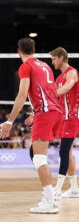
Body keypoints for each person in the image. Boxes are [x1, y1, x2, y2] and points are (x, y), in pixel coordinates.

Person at [0, 38, 62, 214]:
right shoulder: (45, 65)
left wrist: (9, 121)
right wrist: (36, 113)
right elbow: (50, 92)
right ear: (34, 50)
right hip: (54, 112)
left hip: (46, 114)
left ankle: (50, 201)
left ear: (18, 50)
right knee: (35, 154)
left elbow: (21, 95)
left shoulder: (25, 66)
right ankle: (49, 195)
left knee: (39, 159)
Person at [49, 47, 79, 198]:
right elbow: (53, 100)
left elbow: (68, 87)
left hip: (72, 117)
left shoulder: (72, 73)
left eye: (54, 59)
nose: (52, 62)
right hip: (63, 118)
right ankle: (74, 189)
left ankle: (58, 188)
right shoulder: (58, 79)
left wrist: (49, 93)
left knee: (63, 151)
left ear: (61, 58)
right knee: (67, 152)